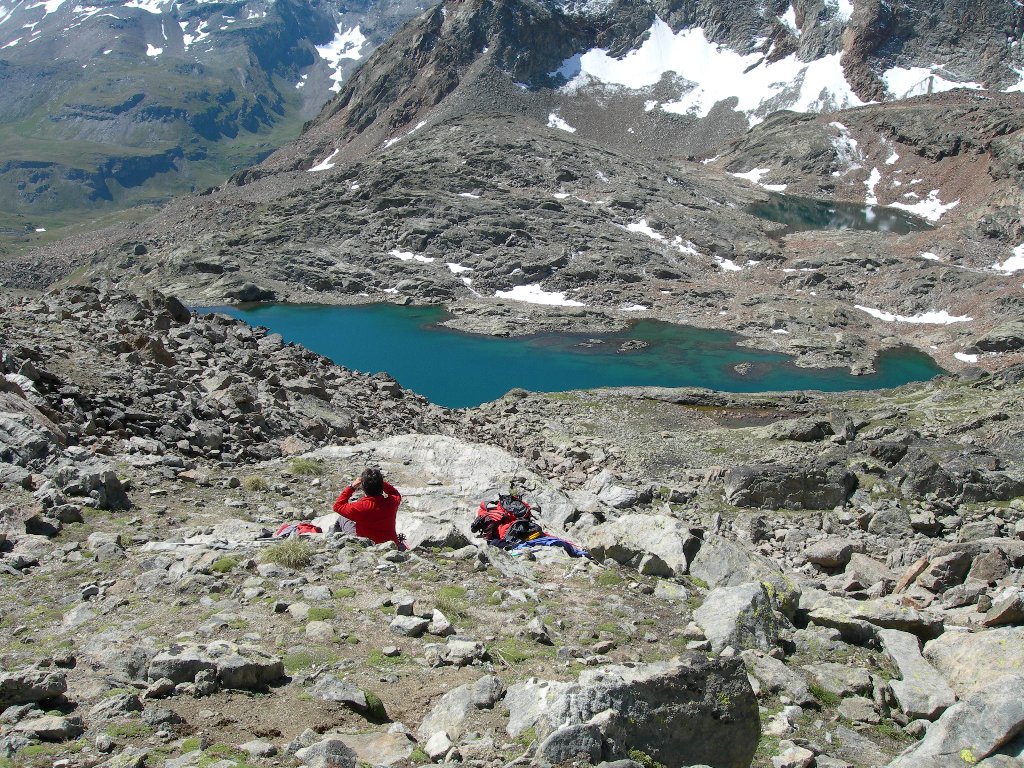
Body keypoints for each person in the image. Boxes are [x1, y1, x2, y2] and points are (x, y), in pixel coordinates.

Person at [332, 468, 403, 547]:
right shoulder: (391, 503)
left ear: (363, 487)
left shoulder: (360, 507)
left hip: (367, 545)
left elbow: (337, 506)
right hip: (391, 545)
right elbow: (395, 493)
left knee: (343, 518)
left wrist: (351, 487)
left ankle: (333, 541)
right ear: (381, 486)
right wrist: (378, 482)